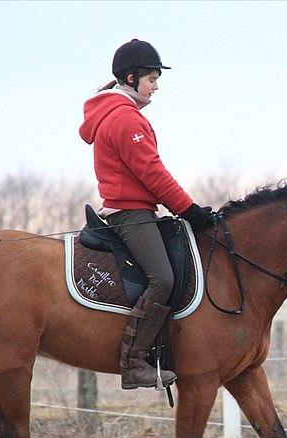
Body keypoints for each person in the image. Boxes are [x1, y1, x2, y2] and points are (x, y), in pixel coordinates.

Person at [79, 38, 214, 390]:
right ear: (130, 77)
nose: (155, 87)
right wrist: (189, 210)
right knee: (163, 279)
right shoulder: (124, 119)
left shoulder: (123, 115)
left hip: (140, 210)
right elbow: (152, 172)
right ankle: (134, 362)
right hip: (130, 214)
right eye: (152, 79)